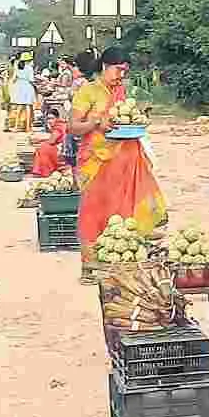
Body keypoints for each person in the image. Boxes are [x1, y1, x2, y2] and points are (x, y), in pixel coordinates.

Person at [68, 46, 168, 283]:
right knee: (95, 211)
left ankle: (120, 264)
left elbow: (134, 116)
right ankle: (91, 267)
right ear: (104, 66)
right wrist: (95, 122)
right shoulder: (88, 92)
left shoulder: (124, 92)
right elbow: (73, 127)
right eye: (118, 69)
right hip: (95, 162)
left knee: (124, 212)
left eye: (125, 71)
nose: (121, 75)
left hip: (124, 162)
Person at [32, 107, 67, 177]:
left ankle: (45, 171)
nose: (49, 121)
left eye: (52, 118)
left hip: (62, 149)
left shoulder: (58, 127)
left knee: (43, 148)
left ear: (57, 118)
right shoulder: (60, 124)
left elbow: (51, 141)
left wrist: (40, 142)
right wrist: (40, 140)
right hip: (62, 147)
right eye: (48, 118)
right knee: (43, 146)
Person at [8, 59, 36, 133]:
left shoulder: (17, 68)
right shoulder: (30, 68)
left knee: (19, 108)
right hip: (27, 87)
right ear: (28, 61)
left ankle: (16, 127)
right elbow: (31, 79)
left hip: (19, 87)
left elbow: (13, 79)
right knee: (28, 108)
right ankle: (28, 128)